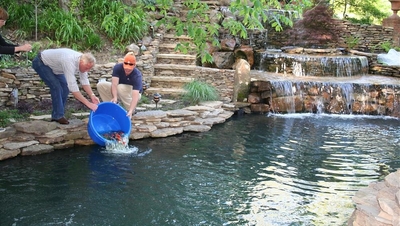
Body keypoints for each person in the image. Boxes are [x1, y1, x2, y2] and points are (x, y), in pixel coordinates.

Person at [32, 48, 100, 124]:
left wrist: (92, 95)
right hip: (41, 62)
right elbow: (72, 86)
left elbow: (84, 81)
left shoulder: (83, 63)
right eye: (87, 68)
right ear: (81, 62)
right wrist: (88, 103)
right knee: (56, 87)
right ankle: (58, 116)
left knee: (65, 87)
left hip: (55, 67)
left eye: (89, 69)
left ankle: (57, 115)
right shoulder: (69, 61)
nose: (87, 70)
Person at [97, 52, 142, 119]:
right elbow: (114, 84)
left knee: (120, 87)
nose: (127, 70)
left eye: (129, 69)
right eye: (125, 68)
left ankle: (130, 110)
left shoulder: (137, 75)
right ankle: (112, 107)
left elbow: (135, 95)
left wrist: (131, 110)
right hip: (119, 90)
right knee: (101, 85)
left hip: (132, 95)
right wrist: (115, 97)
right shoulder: (118, 67)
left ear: (134, 65)